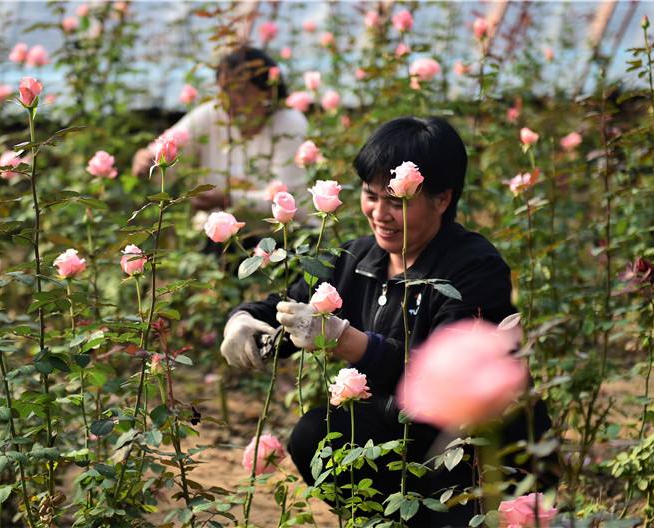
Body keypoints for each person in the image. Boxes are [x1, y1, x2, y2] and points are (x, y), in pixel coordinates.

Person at [220, 116, 558, 526]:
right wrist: (241, 322)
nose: (379, 214)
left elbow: (449, 385)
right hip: (393, 437)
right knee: (316, 434)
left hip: (472, 455)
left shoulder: (473, 269)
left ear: (441, 199)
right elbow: (284, 306)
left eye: (397, 201)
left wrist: (347, 340)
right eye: (369, 195)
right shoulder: (358, 260)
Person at [131, 46, 311, 226]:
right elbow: (163, 160)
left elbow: (289, 201)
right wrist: (146, 161)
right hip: (217, 237)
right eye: (225, 88)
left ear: (269, 91)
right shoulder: (208, 116)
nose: (230, 98)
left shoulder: (289, 123)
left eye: (241, 90)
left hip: (280, 237)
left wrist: (226, 199)